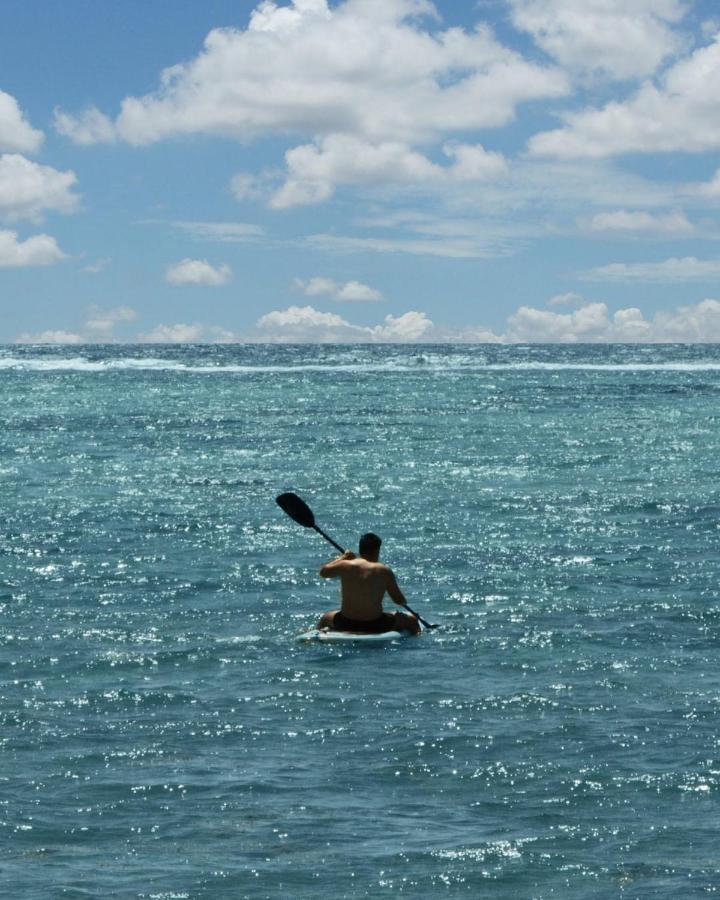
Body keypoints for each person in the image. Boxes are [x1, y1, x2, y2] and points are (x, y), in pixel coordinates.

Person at [316, 532, 420, 635]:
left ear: (361, 550)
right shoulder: (383, 570)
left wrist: (343, 558)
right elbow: (398, 600)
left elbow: (323, 572)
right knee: (412, 620)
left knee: (326, 617)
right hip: (375, 625)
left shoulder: (344, 565)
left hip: (345, 623)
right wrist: (405, 608)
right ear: (377, 551)